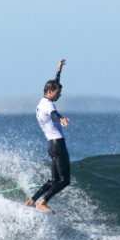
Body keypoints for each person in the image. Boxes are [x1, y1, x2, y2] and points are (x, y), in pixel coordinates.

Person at [25, 58, 71, 213]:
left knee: (54, 180)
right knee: (65, 181)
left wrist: (58, 72)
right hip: (58, 144)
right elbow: (54, 114)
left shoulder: (41, 103)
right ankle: (43, 202)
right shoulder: (49, 105)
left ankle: (32, 200)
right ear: (50, 92)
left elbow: (54, 84)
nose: (60, 95)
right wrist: (62, 118)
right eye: (58, 93)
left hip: (50, 145)